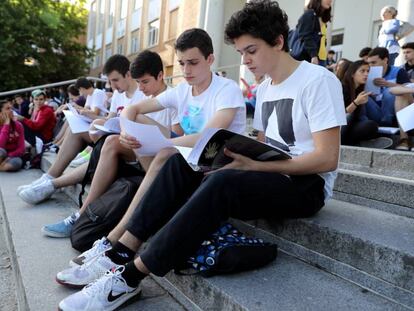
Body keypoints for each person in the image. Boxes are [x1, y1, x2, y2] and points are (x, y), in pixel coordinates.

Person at [56, 1, 345, 310]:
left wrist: (252, 166)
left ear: (278, 42)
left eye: (251, 50)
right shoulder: (264, 89)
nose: (245, 61)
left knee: (223, 183)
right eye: (240, 54)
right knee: (181, 160)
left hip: (305, 185)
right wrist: (241, 157)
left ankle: (129, 278)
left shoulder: (318, 81)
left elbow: (327, 159)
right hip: (269, 171)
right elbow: (265, 144)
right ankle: (122, 250)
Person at [55, 26, 245, 287]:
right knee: (133, 130)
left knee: (166, 152)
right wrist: (127, 129)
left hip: (214, 164)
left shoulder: (227, 89)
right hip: (182, 162)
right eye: (182, 63)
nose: (187, 70)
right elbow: (133, 108)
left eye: (193, 62)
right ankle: (111, 241)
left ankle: (113, 241)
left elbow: (209, 136)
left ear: (210, 60)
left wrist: (165, 142)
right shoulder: (182, 91)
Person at [41, 51, 180, 237]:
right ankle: (78, 213)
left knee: (116, 137)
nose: (141, 87)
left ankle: (59, 191)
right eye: (138, 82)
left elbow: (176, 139)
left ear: (161, 75)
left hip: (159, 158)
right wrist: (125, 133)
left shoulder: (173, 97)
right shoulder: (146, 99)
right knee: (112, 141)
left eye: (145, 82)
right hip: (139, 152)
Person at [366, 47, 412, 150]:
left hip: (392, 113)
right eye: (369, 63)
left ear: (385, 60)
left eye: (374, 63)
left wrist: (389, 84)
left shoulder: (398, 71)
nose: (370, 66)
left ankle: (404, 138)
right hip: (375, 113)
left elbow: (409, 91)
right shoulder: (366, 72)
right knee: (363, 97)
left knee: (391, 92)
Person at [340, 60, 392, 148]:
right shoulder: (342, 87)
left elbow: (363, 116)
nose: (366, 74)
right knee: (368, 125)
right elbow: (341, 115)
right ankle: (359, 143)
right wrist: (356, 102)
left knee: (371, 126)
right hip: (340, 129)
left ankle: (361, 142)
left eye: (368, 71)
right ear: (352, 74)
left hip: (354, 126)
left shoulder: (360, 90)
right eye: (362, 71)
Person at [295, 0, 332, 65]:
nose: (330, 1)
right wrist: (314, 56)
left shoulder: (322, 18)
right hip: (311, 58)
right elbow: (305, 36)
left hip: (322, 58)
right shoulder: (309, 14)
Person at [0, 100, 25, 171]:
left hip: (12, 156)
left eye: (11, 108)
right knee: (1, 151)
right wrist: (6, 125)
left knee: (17, 163)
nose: (11, 111)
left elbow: (21, 148)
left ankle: (1, 167)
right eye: (8, 109)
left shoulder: (18, 125)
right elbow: (0, 145)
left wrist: (9, 156)